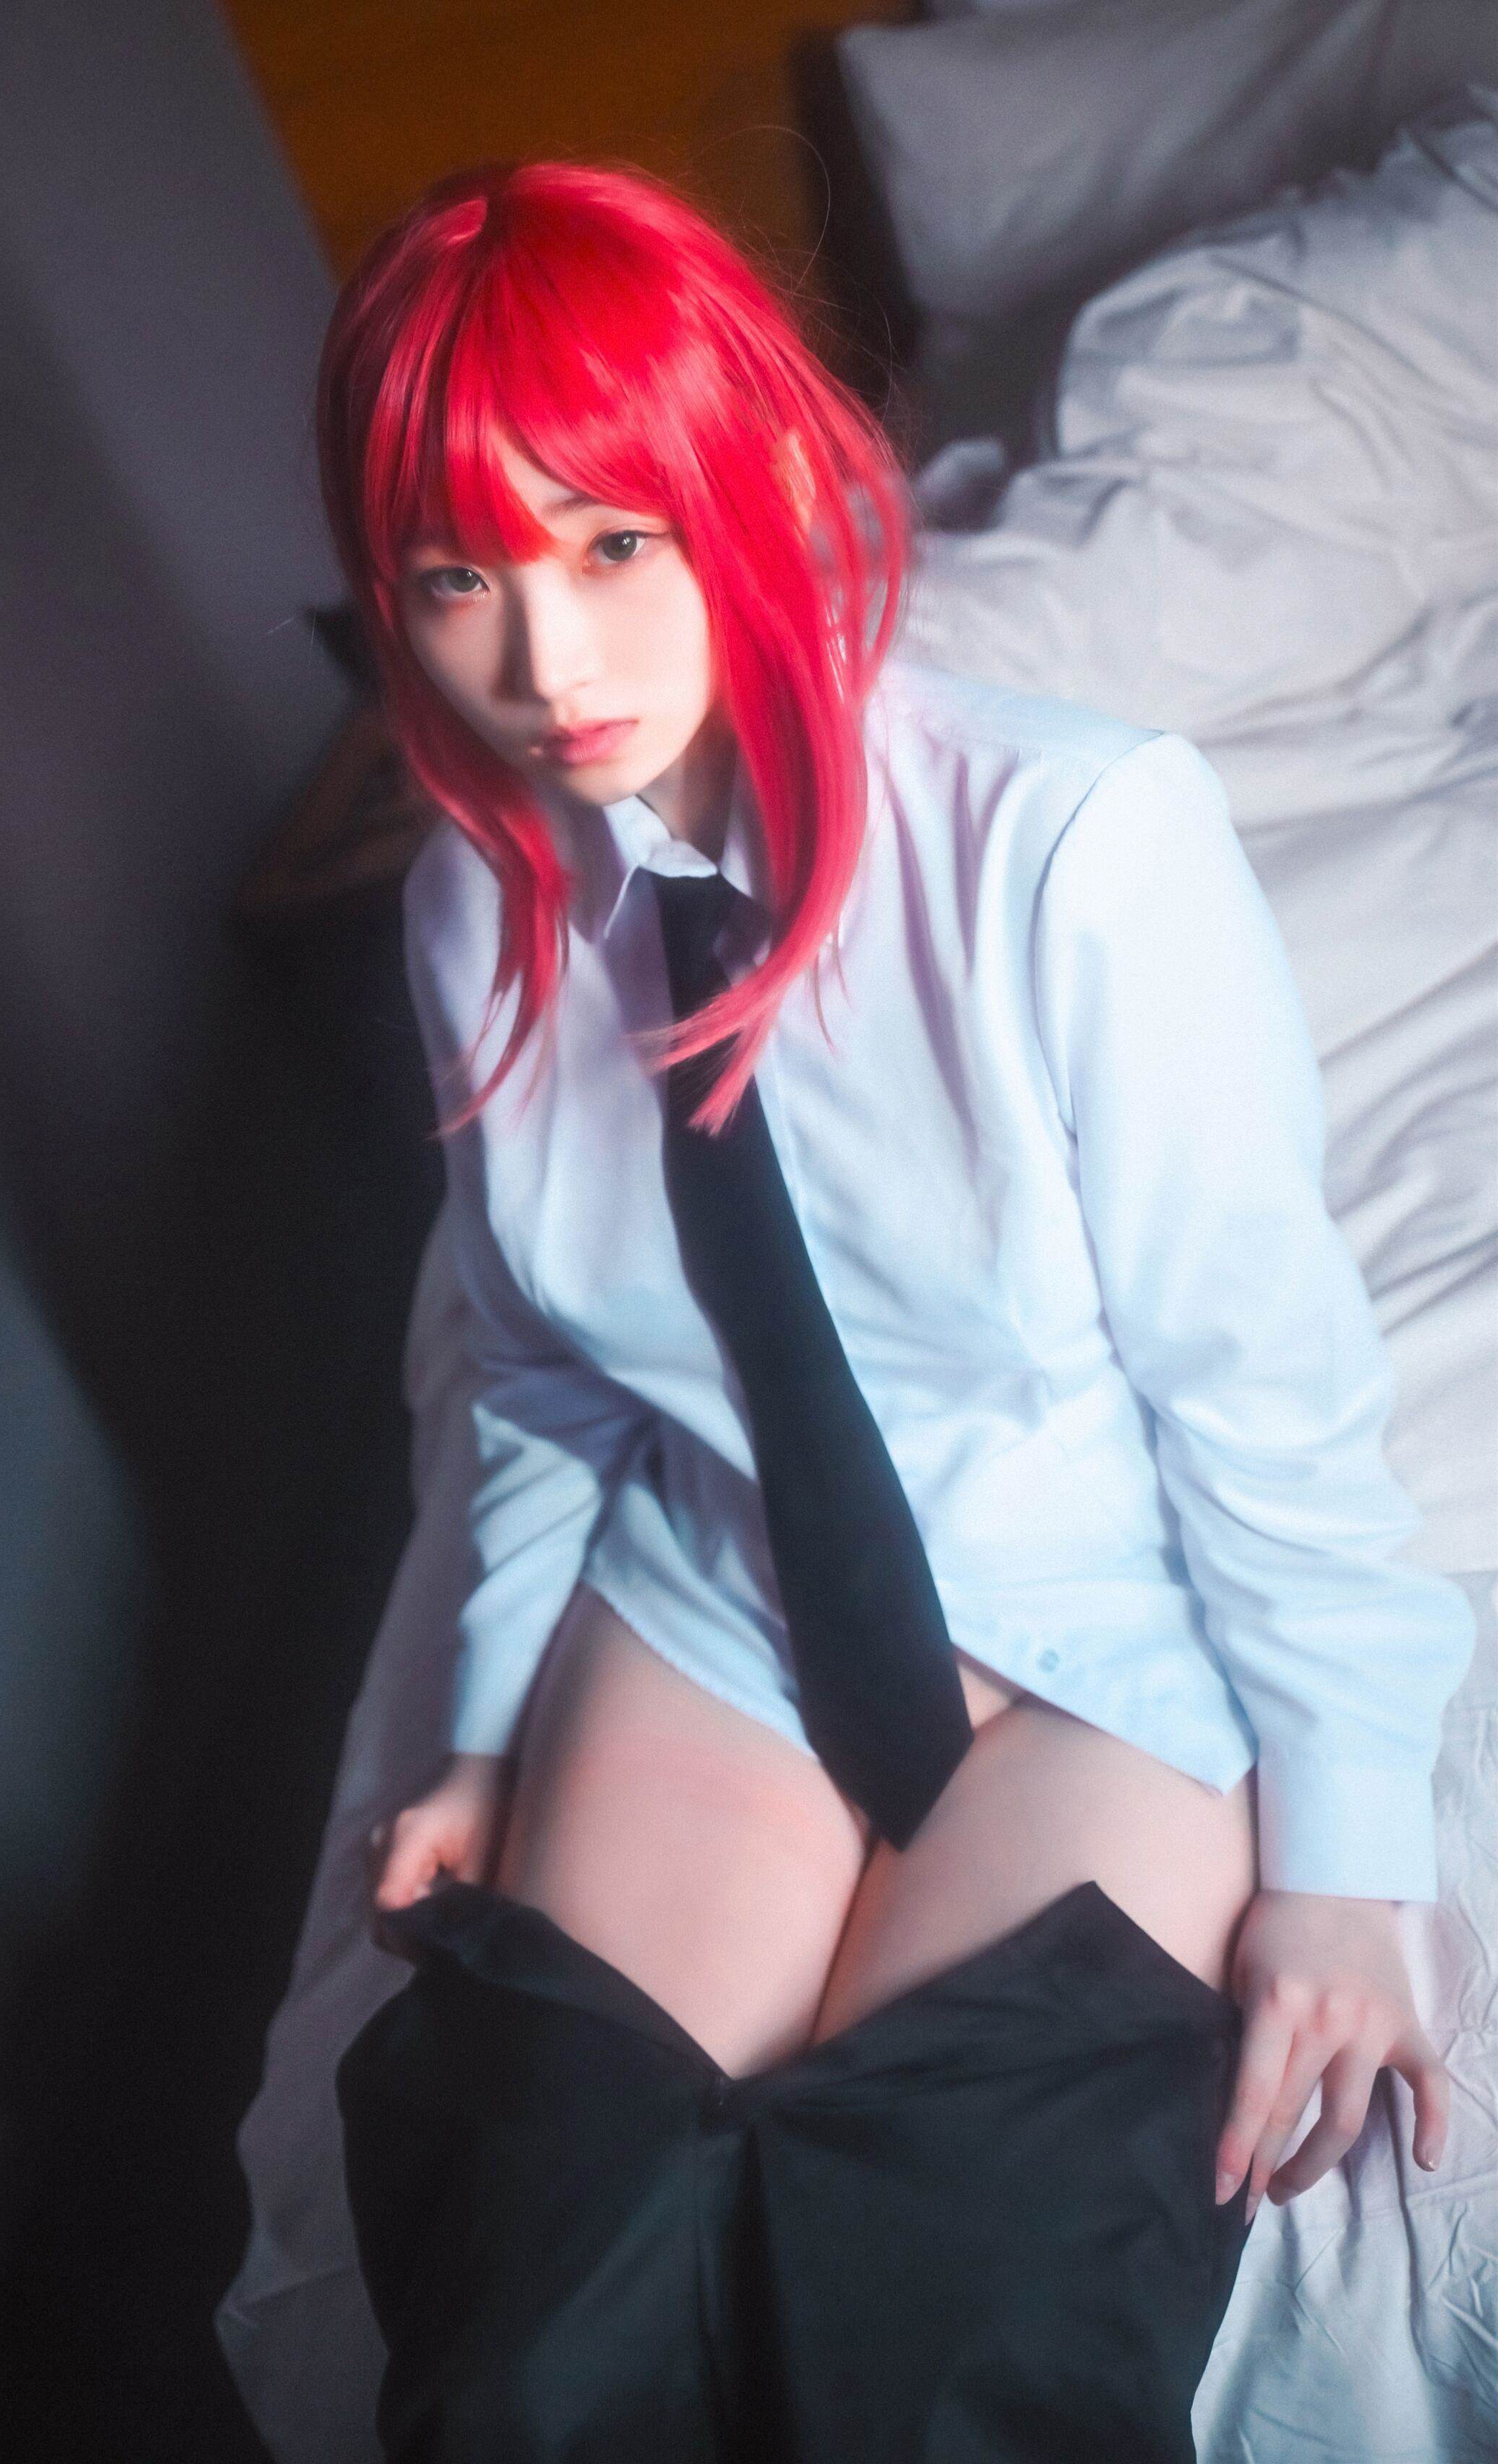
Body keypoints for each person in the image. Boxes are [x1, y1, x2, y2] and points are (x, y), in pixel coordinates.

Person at [311, 158, 1474, 2460]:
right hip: (722, 1603)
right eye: (458, 580)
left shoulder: (1076, 842)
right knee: (534, 2312)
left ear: (748, 482)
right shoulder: (471, 912)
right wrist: (480, 1727)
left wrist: (1351, 1861)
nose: (546, 669)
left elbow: (1261, 1387)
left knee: (936, 2322)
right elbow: (545, 1378)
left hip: (1086, 1645)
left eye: (612, 545)